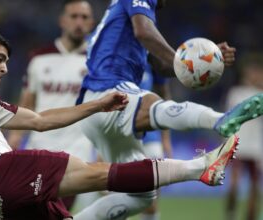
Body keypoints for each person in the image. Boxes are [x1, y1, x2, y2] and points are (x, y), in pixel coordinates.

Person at [0, 27, 239, 220]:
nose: (4, 68)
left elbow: (42, 120)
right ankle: (200, 167)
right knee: (97, 173)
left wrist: (95, 106)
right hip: (3, 173)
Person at [73, 0, 263, 219]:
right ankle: (218, 120)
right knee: (156, 103)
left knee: (143, 195)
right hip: (107, 92)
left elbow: (163, 65)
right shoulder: (140, 12)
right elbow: (144, 32)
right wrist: (188, 63)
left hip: (96, 113)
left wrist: (207, 59)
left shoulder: (131, 20)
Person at [7, 0, 102, 211]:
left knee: (57, 210)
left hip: (78, 151)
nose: (79, 22)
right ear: (62, 21)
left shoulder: (98, 61)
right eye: (74, 16)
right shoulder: (39, 59)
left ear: (92, 23)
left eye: (84, 17)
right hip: (39, 147)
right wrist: (14, 137)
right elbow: (27, 104)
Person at [225, 53, 263, 220]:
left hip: (256, 147)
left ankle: (250, 217)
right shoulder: (236, 93)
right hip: (238, 144)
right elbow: (228, 119)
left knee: (255, 187)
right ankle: (230, 214)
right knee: (234, 184)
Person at [139, 64, 172, 220]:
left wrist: (166, 140)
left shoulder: (152, 60)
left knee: (150, 199)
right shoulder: (116, 57)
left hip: (151, 139)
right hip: (121, 139)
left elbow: (165, 99)